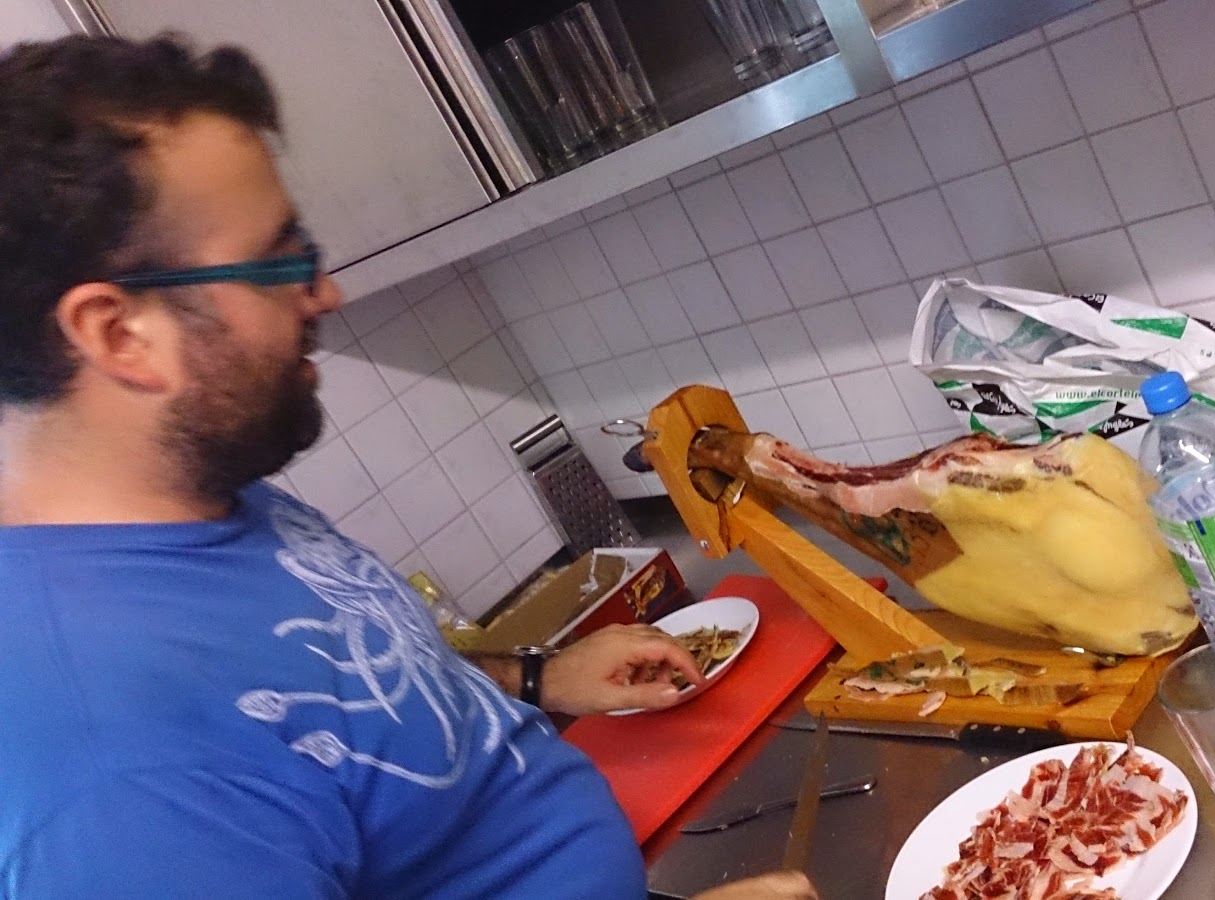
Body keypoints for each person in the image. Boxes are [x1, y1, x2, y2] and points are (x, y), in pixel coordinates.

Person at [0, 34, 816, 900]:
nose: (324, 292)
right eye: (280, 263)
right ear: (120, 335)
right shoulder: (110, 774)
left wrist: (540, 677)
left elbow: (358, 699)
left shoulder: (207, 494)